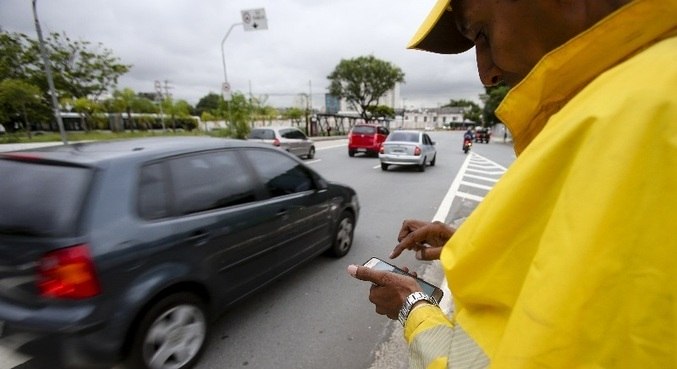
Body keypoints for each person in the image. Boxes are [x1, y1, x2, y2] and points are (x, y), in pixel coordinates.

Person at [348, 0, 677, 368]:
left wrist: (413, 305)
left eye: (482, 33)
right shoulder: (641, 95)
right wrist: (473, 243)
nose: (485, 73)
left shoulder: (635, 115)